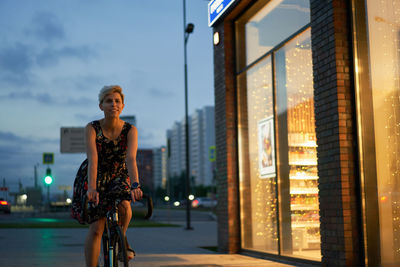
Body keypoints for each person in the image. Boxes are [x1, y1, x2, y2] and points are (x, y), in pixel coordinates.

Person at [71, 85, 143, 267]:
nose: (113, 104)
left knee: (125, 206)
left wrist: (135, 184)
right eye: (109, 101)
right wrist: (92, 188)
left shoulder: (130, 130)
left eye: (117, 101)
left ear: (123, 106)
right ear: (101, 106)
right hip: (96, 174)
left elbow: (131, 158)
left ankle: (121, 240)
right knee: (96, 228)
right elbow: (93, 159)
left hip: (119, 174)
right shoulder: (92, 128)